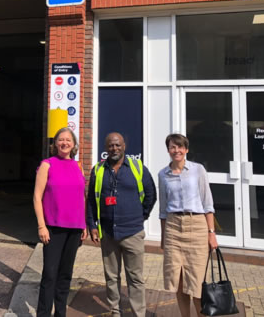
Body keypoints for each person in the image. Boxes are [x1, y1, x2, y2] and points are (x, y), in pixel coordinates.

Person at [86, 132, 156, 317]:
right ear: (105, 148)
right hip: (108, 233)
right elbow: (92, 201)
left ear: (124, 146)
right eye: (110, 146)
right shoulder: (98, 170)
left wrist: (141, 216)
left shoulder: (138, 167)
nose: (114, 149)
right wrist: (92, 226)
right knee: (111, 277)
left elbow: (151, 195)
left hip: (132, 232)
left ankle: (138, 314)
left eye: (117, 145)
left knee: (135, 278)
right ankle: (115, 312)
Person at [158, 133, 218, 317]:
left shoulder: (198, 170)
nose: (176, 150)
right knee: (179, 280)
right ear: (168, 150)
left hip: (197, 225)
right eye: (172, 147)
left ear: (186, 149)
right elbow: (162, 209)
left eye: (180, 147)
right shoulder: (163, 174)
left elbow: (208, 203)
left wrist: (211, 232)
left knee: (198, 281)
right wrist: (163, 237)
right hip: (173, 227)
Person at [33, 127, 88, 317]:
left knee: (65, 276)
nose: (64, 143)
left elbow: (82, 197)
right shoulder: (47, 164)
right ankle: (43, 314)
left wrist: (84, 224)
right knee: (49, 274)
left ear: (73, 145)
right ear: (55, 144)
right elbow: (37, 197)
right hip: (53, 228)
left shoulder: (78, 166)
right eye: (61, 140)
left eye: (68, 140)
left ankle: (60, 314)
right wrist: (42, 225)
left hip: (74, 228)